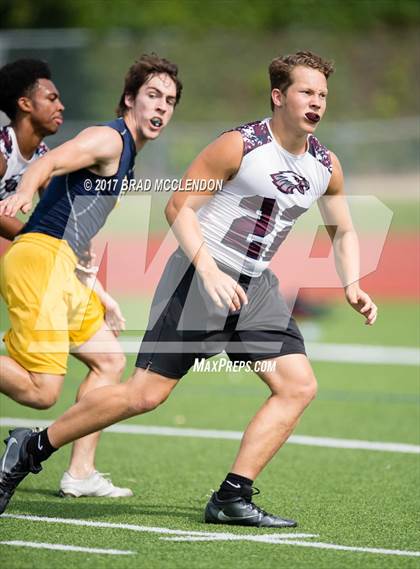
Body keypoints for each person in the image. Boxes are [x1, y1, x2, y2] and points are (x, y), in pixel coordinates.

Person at [0, 51, 376, 526]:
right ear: (279, 96)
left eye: (322, 94)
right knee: (144, 396)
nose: (316, 101)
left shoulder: (326, 164)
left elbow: (342, 230)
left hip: (254, 288)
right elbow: (179, 207)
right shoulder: (238, 145)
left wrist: (353, 283)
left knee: (297, 386)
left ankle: (232, 497)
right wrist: (211, 271)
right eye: (306, 91)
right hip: (199, 278)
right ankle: (31, 447)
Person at [0, 53, 182, 504]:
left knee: (109, 362)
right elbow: (50, 163)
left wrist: (100, 292)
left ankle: (80, 473)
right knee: (42, 393)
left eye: (170, 101)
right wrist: (24, 190)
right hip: (39, 261)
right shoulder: (108, 139)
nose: (161, 107)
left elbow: (77, 237)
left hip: (62, 269)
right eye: (153, 96)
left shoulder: (127, 158)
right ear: (129, 99)